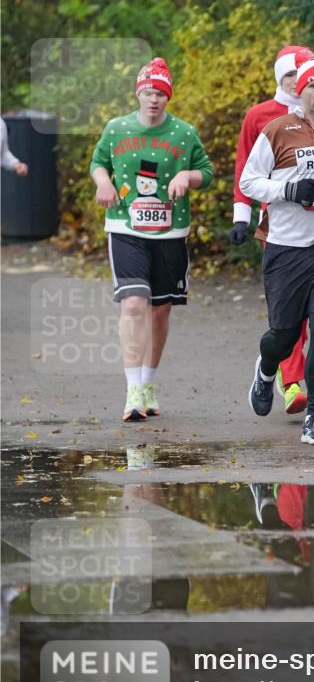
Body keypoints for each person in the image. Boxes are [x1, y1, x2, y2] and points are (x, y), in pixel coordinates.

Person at [240, 54, 314, 444]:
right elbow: (249, 181)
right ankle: (266, 369)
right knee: (284, 335)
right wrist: (287, 190)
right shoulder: (277, 130)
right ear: (300, 90)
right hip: (286, 247)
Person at [90, 57, 213, 421]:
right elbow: (98, 162)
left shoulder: (185, 133)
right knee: (133, 304)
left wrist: (187, 177)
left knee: (160, 310)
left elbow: (206, 172)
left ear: (168, 96)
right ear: (138, 94)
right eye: (148, 91)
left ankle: (148, 381)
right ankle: (131, 391)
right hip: (126, 228)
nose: (154, 98)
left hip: (170, 233)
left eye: (160, 92)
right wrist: (103, 182)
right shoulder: (117, 129)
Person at [230, 46, 310, 415]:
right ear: (280, 78)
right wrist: (240, 217)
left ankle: (291, 378)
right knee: (287, 309)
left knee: (311, 310)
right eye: (292, 75)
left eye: (305, 75)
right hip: (276, 225)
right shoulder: (259, 115)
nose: (299, 82)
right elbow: (244, 169)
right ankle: (290, 380)